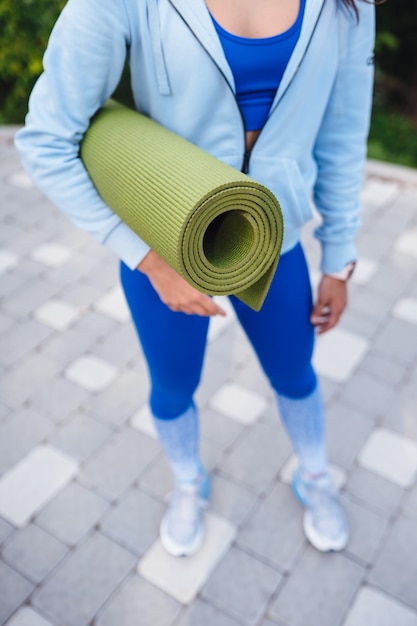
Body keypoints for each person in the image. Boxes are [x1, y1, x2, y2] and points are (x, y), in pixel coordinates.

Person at [15, 0, 375, 556]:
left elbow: (344, 134)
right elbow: (46, 139)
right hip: (164, 237)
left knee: (295, 372)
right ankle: (188, 483)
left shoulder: (348, 6)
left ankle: (315, 475)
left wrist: (340, 256)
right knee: (173, 385)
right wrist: (148, 259)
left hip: (274, 235)